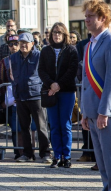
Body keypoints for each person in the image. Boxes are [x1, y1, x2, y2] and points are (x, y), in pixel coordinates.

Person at [80, 0, 111, 191]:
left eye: (91, 16)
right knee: (102, 161)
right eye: (86, 16)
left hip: (106, 112)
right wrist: (84, 112)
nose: (86, 20)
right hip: (92, 112)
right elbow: (85, 82)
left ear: (103, 18)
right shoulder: (89, 45)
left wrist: (104, 112)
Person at [38, 22, 78, 168]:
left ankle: (66, 157)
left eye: (59, 32)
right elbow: (41, 70)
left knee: (65, 125)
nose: (56, 35)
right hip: (50, 92)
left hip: (66, 91)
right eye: (54, 32)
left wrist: (58, 84)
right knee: (54, 125)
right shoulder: (45, 50)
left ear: (64, 34)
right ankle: (57, 155)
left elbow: (72, 71)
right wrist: (51, 85)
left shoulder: (71, 50)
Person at [10, 32, 51, 163]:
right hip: (21, 96)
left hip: (36, 95)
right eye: (20, 43)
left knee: (41, 126)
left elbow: (45, 73)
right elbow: (14, 76)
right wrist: (15, 92)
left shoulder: (39, 56)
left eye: (25, 43)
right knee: (24, 127)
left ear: (32, 44)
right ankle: (27, 153)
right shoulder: (14, 57)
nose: (22, 45)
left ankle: (45, 153)